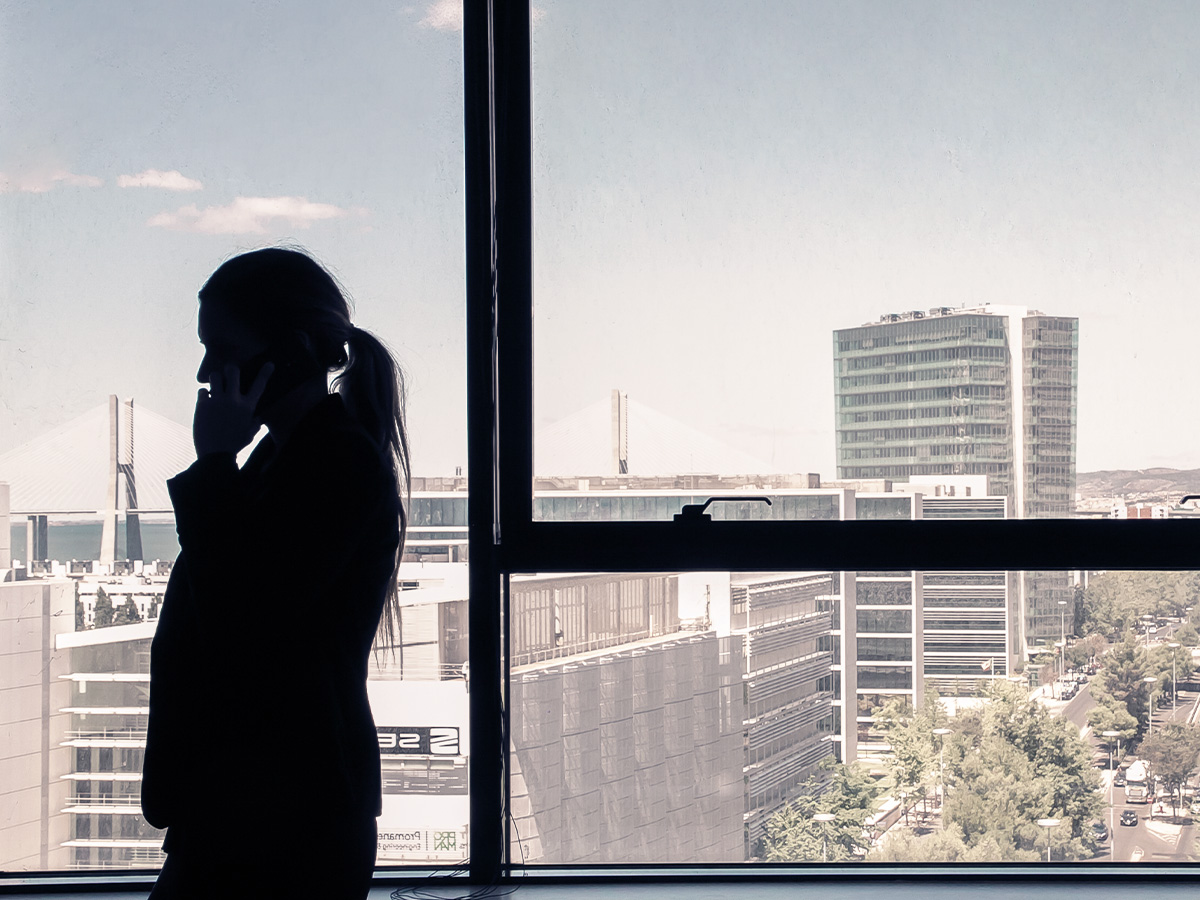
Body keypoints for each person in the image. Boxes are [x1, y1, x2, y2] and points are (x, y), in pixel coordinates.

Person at [142, 247, 409, 899]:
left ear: (288, 350)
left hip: (281, 815)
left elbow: (244, 617)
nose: (207, 372)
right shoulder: (289, 460)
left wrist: (211, 466)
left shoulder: (335, 465)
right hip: (258, 806)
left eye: (223, 347)